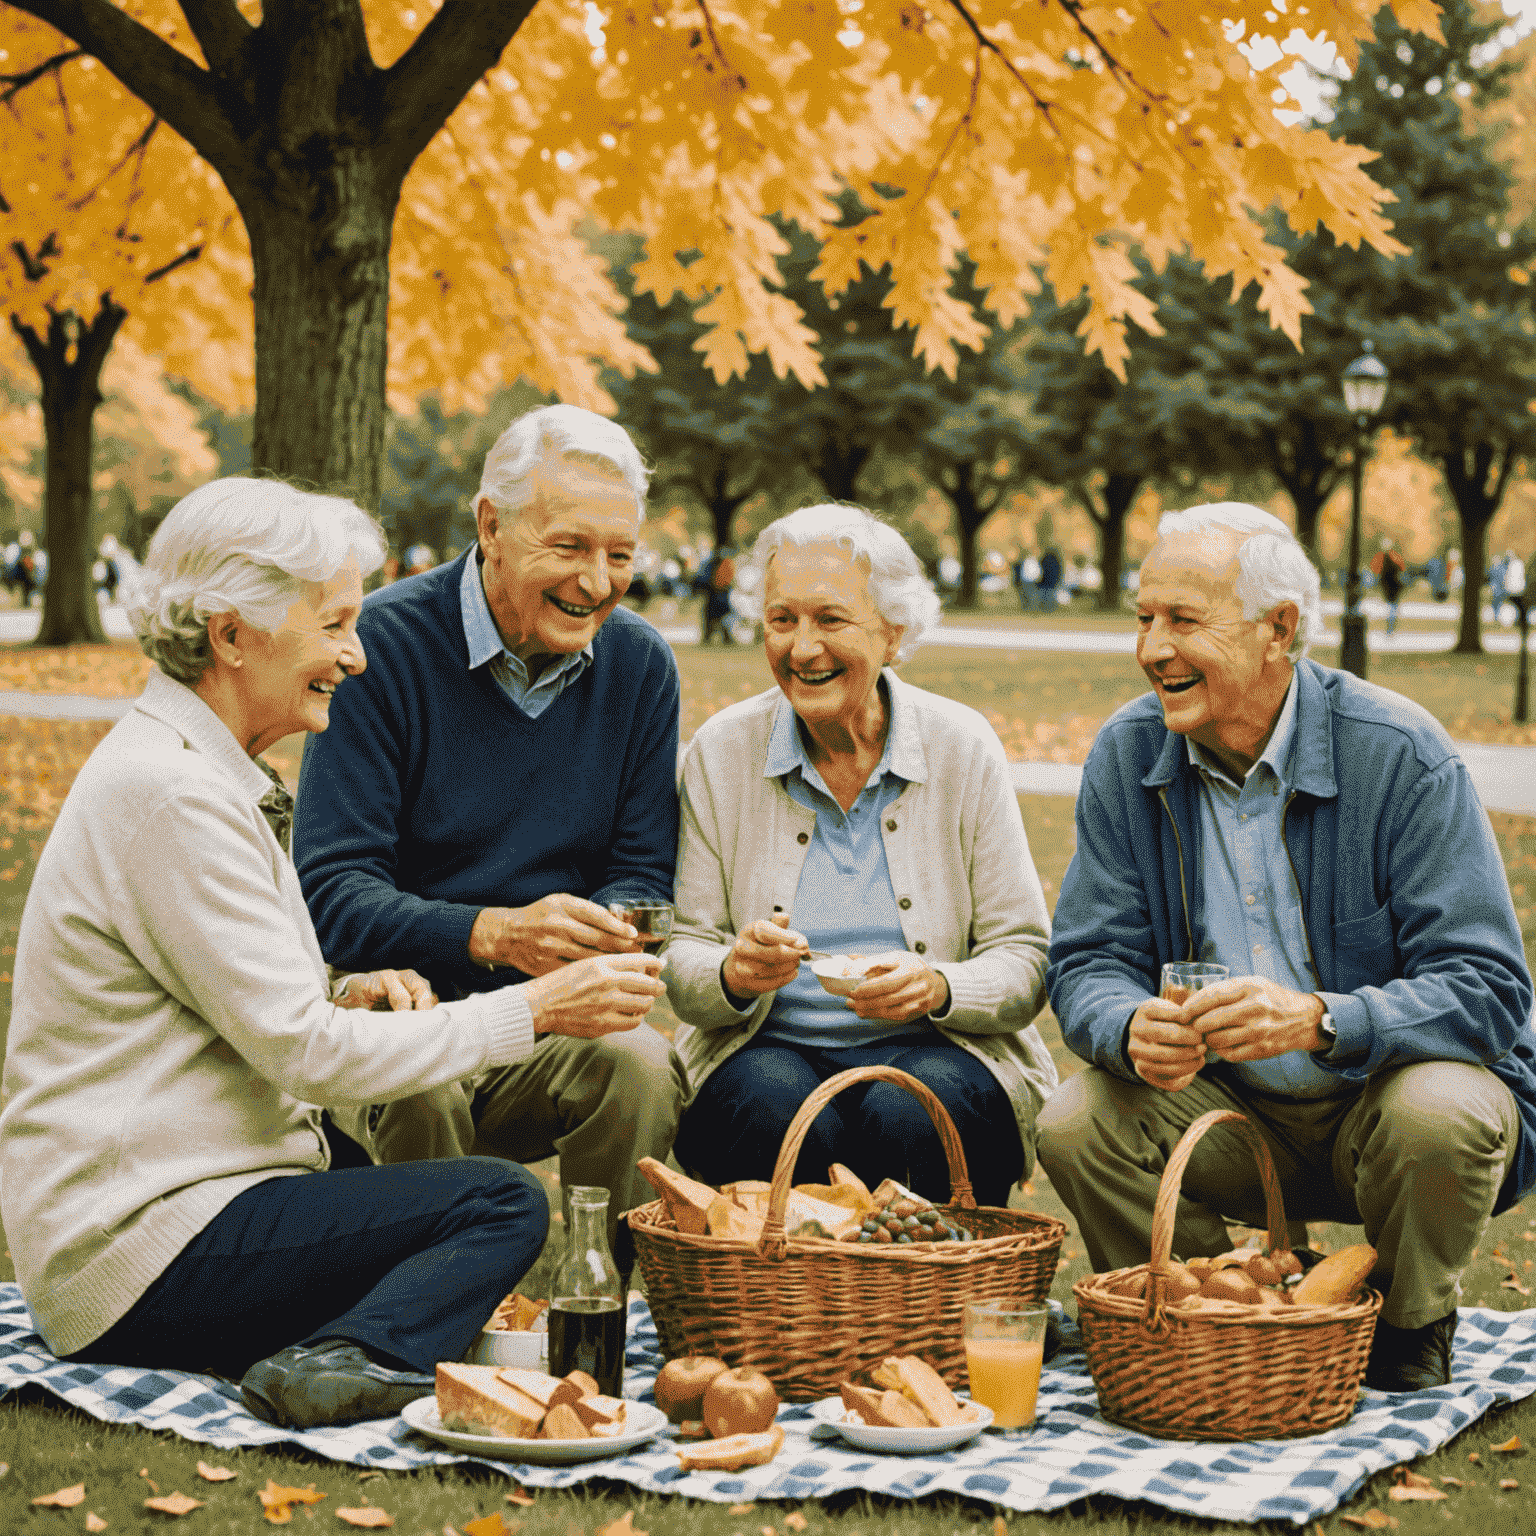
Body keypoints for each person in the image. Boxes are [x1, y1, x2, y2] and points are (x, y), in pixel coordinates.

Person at [0, 478, 667, 1430]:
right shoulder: (171, 794)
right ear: (232, 634)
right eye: (333, 627)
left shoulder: (190, 769)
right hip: (139, 1247)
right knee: (498, 1206)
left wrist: (345, 990)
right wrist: (539, 1008)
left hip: (190, 1210)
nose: (355, 658)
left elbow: (236, 998)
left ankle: (343, 1343)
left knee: (422, 1200)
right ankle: (343, 1360)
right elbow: (303, 1055)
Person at [1036, 501, 1536, 1393]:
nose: (1153, 649)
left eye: (1184, 622)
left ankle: (1412, 1323)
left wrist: (1320, 1018)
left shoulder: (1400, 752)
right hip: (1228, 1113)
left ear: (1281, 631)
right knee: (1078, 1122)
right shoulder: (1128, 753)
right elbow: (1085, 961)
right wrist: (1123, 1027)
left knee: (1442, 1110)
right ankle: (1207, 1313)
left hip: (1383, 1103)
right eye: (1144, 619)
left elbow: (1491, 989)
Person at [293, 405, 684, 1266]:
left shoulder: (640, 666)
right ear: (491, 526)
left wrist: (608, 927)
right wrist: (499, 935)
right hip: (404, 1008)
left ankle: (605, 1314)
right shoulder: (382, 649)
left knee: (641, 1068)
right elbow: (331, 893)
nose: (597, 581)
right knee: (423, 1084)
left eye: (620, 555)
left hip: (557, 1025)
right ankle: (425, 1327)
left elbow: (642, 871)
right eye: (570, 547)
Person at [665, 505, 1057, 1210]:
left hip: (945, 1052)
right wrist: (732, 972)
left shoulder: (962, 747)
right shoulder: (721, 752)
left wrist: (939, 987)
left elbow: (1024, 961)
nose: (802, 648)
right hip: (763, 1054)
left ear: (895, 634)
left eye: (831, 620)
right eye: (782, 620)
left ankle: (916, 1318)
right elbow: (682, 955)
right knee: (773, 1107)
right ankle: (776, 1318)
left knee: (909, 1113)